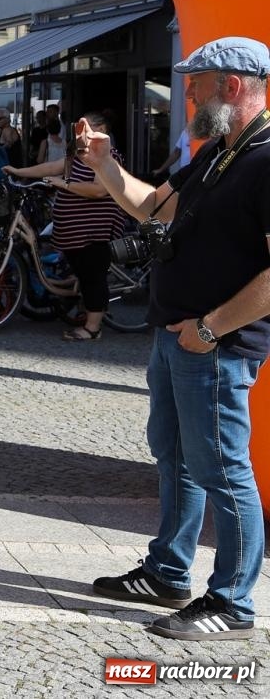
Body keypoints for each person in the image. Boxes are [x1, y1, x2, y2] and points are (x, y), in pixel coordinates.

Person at [82, 37, 270, 641]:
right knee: (176, 457)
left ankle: (233, 604)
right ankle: (168, 571)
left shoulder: (265, 158)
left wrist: (212, 327)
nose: (186, 90)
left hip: (215, 344)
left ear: (233, 86)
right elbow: (154, 211)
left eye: (198, 80)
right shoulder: (219, 152)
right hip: (177, 335)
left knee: (222, 470)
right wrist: (106, 165)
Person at [6, 112, 128, 341]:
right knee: (82, 273)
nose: (78, 132)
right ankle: (86, 310)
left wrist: (64, 183)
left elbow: (99, 190)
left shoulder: (108, 157)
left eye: (84, 127)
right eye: (77, 127)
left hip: (94, 231)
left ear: (101, 129)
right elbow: (51, 167)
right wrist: (19, 171)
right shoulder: (79, 154)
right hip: (75, 233)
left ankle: (93, 329)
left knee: (93, 277)